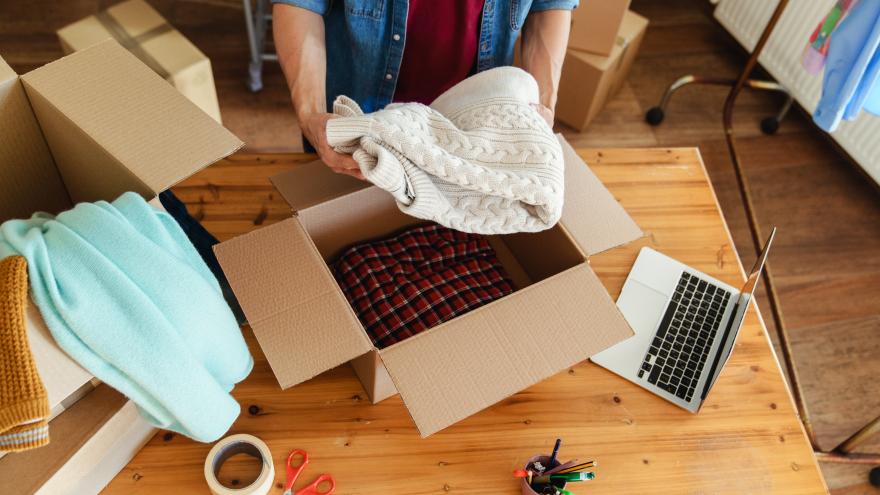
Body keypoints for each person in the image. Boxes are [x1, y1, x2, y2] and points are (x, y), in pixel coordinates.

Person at [272, 0, 577, 179]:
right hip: (354, 127)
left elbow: (548, 5)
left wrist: (544, 107)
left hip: (472, 131)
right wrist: (311, 113)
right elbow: (301, 5)